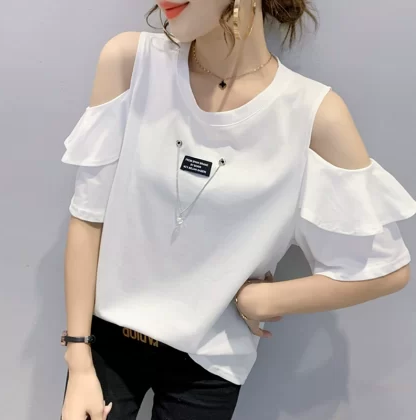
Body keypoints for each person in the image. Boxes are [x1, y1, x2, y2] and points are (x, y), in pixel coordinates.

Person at [59, 1, 416, 419]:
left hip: (208, 364)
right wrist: (79, 359)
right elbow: (88, 218)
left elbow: (384, 269)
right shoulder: (131, 63)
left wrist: (265, 298)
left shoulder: (310, 113)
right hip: (105, 344)